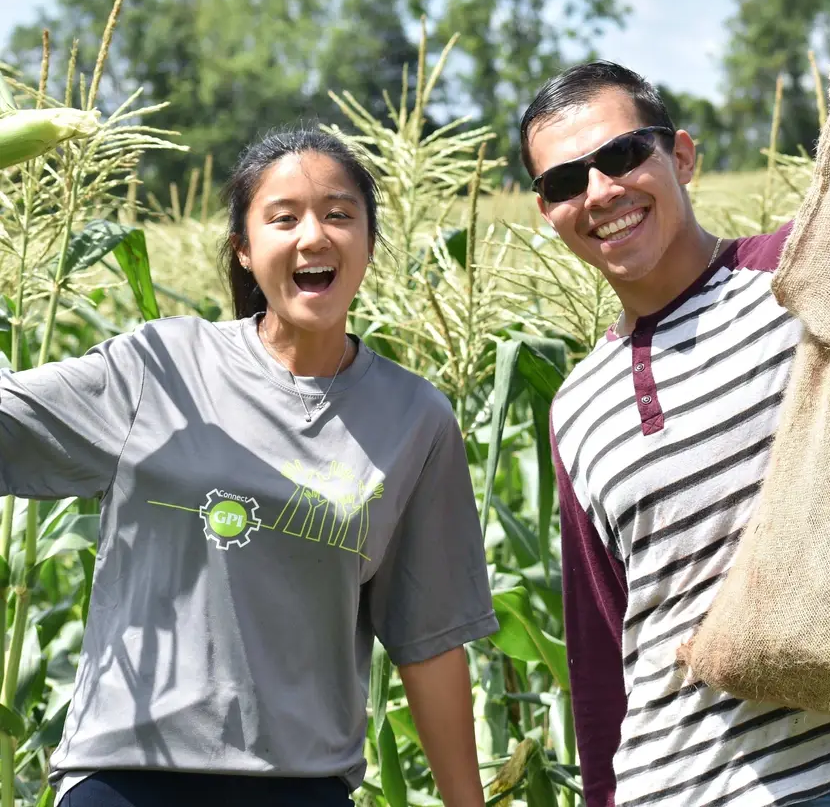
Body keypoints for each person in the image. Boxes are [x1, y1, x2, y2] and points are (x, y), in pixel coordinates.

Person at [520, 0, 830, 807]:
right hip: (667, 786)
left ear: (680, 156)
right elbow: (601, 651)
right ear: (547, 212)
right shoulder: (577, 404)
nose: (600, 192)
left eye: (622, 156)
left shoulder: (803, 279)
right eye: (566, 182)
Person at [0, 128, 498, 807]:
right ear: (244, 247)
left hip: (301, 785)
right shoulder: (160, 368)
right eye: (284, 218)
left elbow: (429, 640)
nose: (314, 236)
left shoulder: (416, 418)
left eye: (339, 214)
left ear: (371, 242)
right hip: (128, 775)